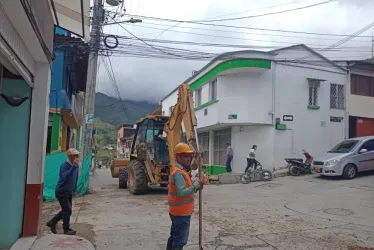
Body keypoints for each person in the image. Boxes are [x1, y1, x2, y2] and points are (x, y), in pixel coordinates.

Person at [167, 142, 204, 250]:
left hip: (177, 212)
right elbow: (182, 192)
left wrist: (197, 186)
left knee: (174, 237)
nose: (189, 159)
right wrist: (196, 185)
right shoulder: (178, 173)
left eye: (189, 156)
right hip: (181, 214)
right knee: (179, 242)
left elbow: (187, 188)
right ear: (178, 157)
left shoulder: (180, 171)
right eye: (185, 156)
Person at [46, 148, 80, 235]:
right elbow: (65, 178)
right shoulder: (64, 166)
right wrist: (73, 167)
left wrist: (75, 190)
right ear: (69, 156)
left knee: (67, 210)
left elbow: (75, 178)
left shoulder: (76, 166)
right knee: (67, 210)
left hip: (68, 191)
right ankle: (66, 230)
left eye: (77, 155)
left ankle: (52, 222)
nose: (77, 157)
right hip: (61, 191)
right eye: (74, 155)